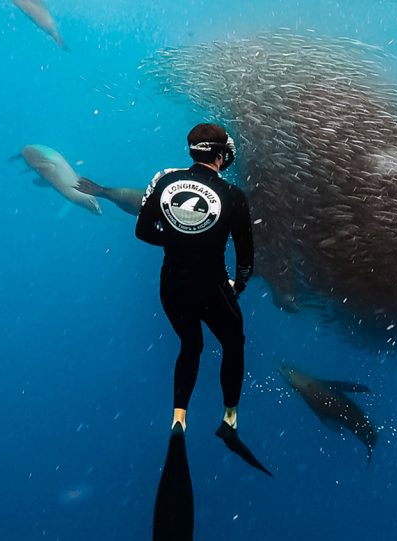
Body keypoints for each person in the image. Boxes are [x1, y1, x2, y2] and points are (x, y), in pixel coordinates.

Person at [136, 123, 270, 476]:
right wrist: (236, 288)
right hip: (211, 287)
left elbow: (143, 231)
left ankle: (179, 418)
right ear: (222, 155)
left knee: (190, 344)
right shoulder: (233, 195)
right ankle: (229, 419)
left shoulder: (165, 182)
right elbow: (246, 261)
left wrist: (181, 242)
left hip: (171, 286)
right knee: (233, 343)